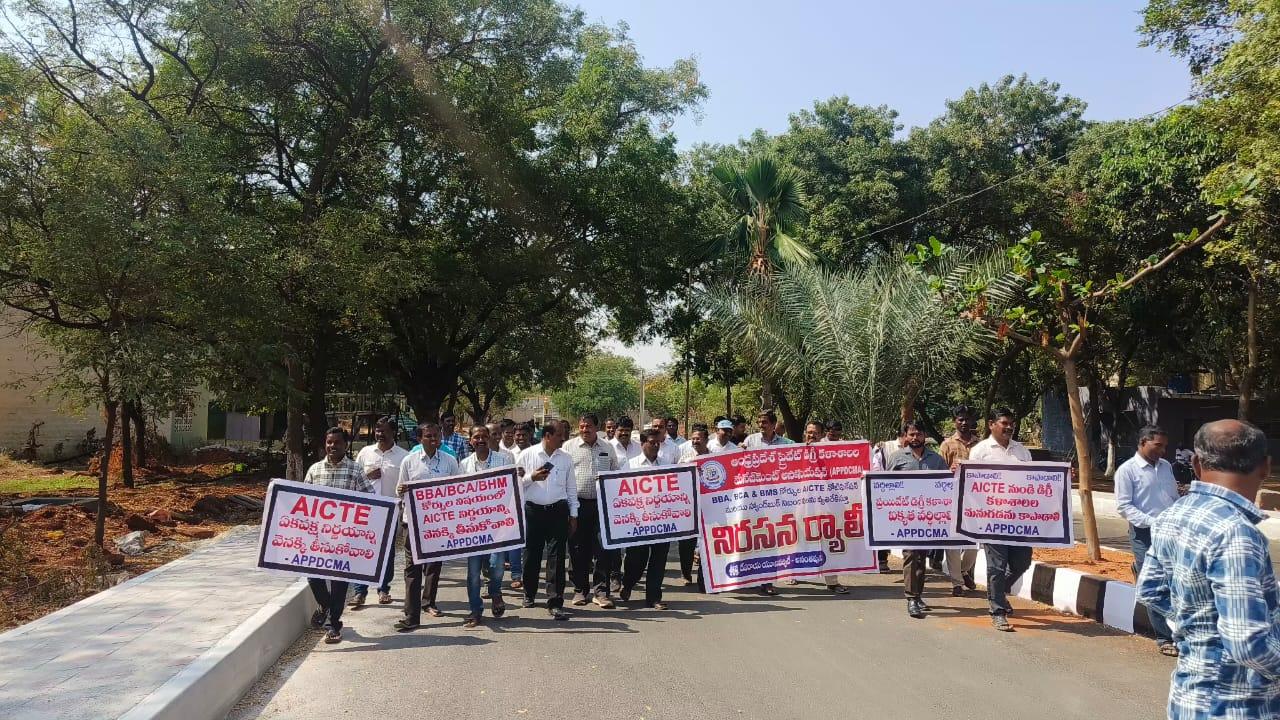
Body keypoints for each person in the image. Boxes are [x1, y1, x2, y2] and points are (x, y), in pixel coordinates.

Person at [1139, 419, 1280, 719]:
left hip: (1188, 697)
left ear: (1196, 464)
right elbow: (1247, 642)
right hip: (1235, 706)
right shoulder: (1236, 532)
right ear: (1266, 467)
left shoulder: (1172, 516)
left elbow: (1149, 589)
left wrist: (1201, 627)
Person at [303, 427, 376, 644]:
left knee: (339, 582)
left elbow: (370, 499)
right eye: (329, 442)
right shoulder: (315, 470)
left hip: (344, 540)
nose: (332, 446)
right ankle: (326, 605)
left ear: (345, 445)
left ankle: (333, 625)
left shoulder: (355, 470)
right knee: (313, 576)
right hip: (318, 538)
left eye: (337, 442)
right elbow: (304, 500)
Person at [1115, 425, 1180, 656]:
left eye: (1165, 446)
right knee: (1153, 584)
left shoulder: (1166, 467)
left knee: (1174, 581)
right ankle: (1164, 638)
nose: (1162, 451)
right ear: (1143, 442)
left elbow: (1173, 497)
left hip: (1171, 533)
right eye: (1158, 445)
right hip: (1144, 534)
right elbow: (1124, 506)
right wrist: (1152, 522)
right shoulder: (1127, 471)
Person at [968, 408, 1033, 632]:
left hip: (1019, 520)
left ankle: (998, 592)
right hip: (991, 520)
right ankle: (997, 611)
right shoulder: (980, 451)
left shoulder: (1022, 451)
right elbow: (972, 485)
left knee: (1022, 562)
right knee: (996, 566)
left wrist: (1061, 478)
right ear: (991, 424)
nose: (1009, 427)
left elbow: (1033, 482)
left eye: (1011, 423)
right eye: (1004, 423)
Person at [393, 422, 461, 632]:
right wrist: (401, 490)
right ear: (419, 439)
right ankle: (411, 615)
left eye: (436, 436)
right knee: (412, 568)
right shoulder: (409, 461)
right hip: (413, 522)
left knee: (434, 565)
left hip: (438, 523)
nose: (433, 439)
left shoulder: (450, 461)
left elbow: (458, 489)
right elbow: (399, 490)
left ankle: (428, 602)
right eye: (428, 436)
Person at [516, 421, 578, 620]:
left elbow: (571, 488)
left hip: (558, 511)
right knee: (531, 555)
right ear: (548, 435)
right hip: (533, 511)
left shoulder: (565, 458)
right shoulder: (527, 455)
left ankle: (555, 601)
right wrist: (531, 478)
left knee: (557, 557)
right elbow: (515, 485)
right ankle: (529, 593)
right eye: (559, 434)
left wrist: (573, 515)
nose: (563, 438)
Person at [886, 422, 948, 619]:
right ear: (905, 436)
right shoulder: (896, 458)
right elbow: (884, 485)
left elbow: (947, 484)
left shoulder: (936, 460)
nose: (915, 438)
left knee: (921, 557)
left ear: (924, 436)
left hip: (929, 518)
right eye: (911, 434)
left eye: (918, 434)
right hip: (906, 518)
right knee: (911, 554)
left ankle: (918, 595)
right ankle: (912, 598)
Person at [454, 425, 512, 628]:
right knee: (473, 573)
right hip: (473, 527)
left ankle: (495, 592)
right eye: (476, 437)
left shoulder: (503, 461)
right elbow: (458, 494)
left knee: (497, 566)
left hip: (497, 524)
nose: (480, 440)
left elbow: (511, 489)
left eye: (484, 436)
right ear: (470, 440)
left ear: (490, 439)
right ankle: (475, 610)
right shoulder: (464, 465)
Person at [350, 416, 409, 607]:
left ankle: (383, 589)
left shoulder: (404, 456)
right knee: (362, 551)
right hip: (366, 511)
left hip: (391, 511)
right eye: (377, 430)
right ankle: (360, 592)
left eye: (384, 431)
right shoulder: (365, 453)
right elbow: (353, 479)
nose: (379, 434)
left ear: (394, 432)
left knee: (387, 552)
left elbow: (407, 484)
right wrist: (367, 475)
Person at [563, 414, 621, 608]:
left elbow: (615, 472)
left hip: (601, 505)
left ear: (597, 427)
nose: (584, 430)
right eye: (581, 426)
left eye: (588, 426)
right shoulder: (568, 447)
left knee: (602, 548)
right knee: (577, 549)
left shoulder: (607, 447)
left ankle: (601, 592)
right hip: (577, 505)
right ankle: (580, 590)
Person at [621, 429, 674, 610]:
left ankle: (654, 597)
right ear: (642, 443)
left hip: (661, 521)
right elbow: (620, 491)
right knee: (636, 559)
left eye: (658, 442)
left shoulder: (666, 464)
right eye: (652, 442)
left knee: (659, 560)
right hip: (639, 522)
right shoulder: (631, 465)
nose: (656, 445)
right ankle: (628, 583)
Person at [803, 420, 850, 595]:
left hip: (827, 504)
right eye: (809, 432)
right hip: (803, 505)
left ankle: (832, 581)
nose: (812, 435)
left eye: (815, 433)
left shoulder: (832, 451)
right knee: (798, 539)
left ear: (822, 435)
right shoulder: (795, 452)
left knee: (829, 540)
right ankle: (793, 574)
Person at [938, 405, 980, 597]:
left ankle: (963, 570)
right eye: (960, 419)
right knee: (953, 543)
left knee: (974, 542)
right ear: (954, 421)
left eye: (967, 419)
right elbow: (940, 473)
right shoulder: (947, 445)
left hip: (975, 501)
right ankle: (957, 582)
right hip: (952, 500)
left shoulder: (980, 445)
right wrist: (950, 470)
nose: (964, 423)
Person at [677, 424, 712, 585]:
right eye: (693, 439)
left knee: (707, 543)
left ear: (706, 439)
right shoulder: (685, 459)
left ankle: (704, 578)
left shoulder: (715, 458)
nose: (695, 441)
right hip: (689, 507)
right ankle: (686, 574)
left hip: (709, 506)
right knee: (686, 543)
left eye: (698, 438)